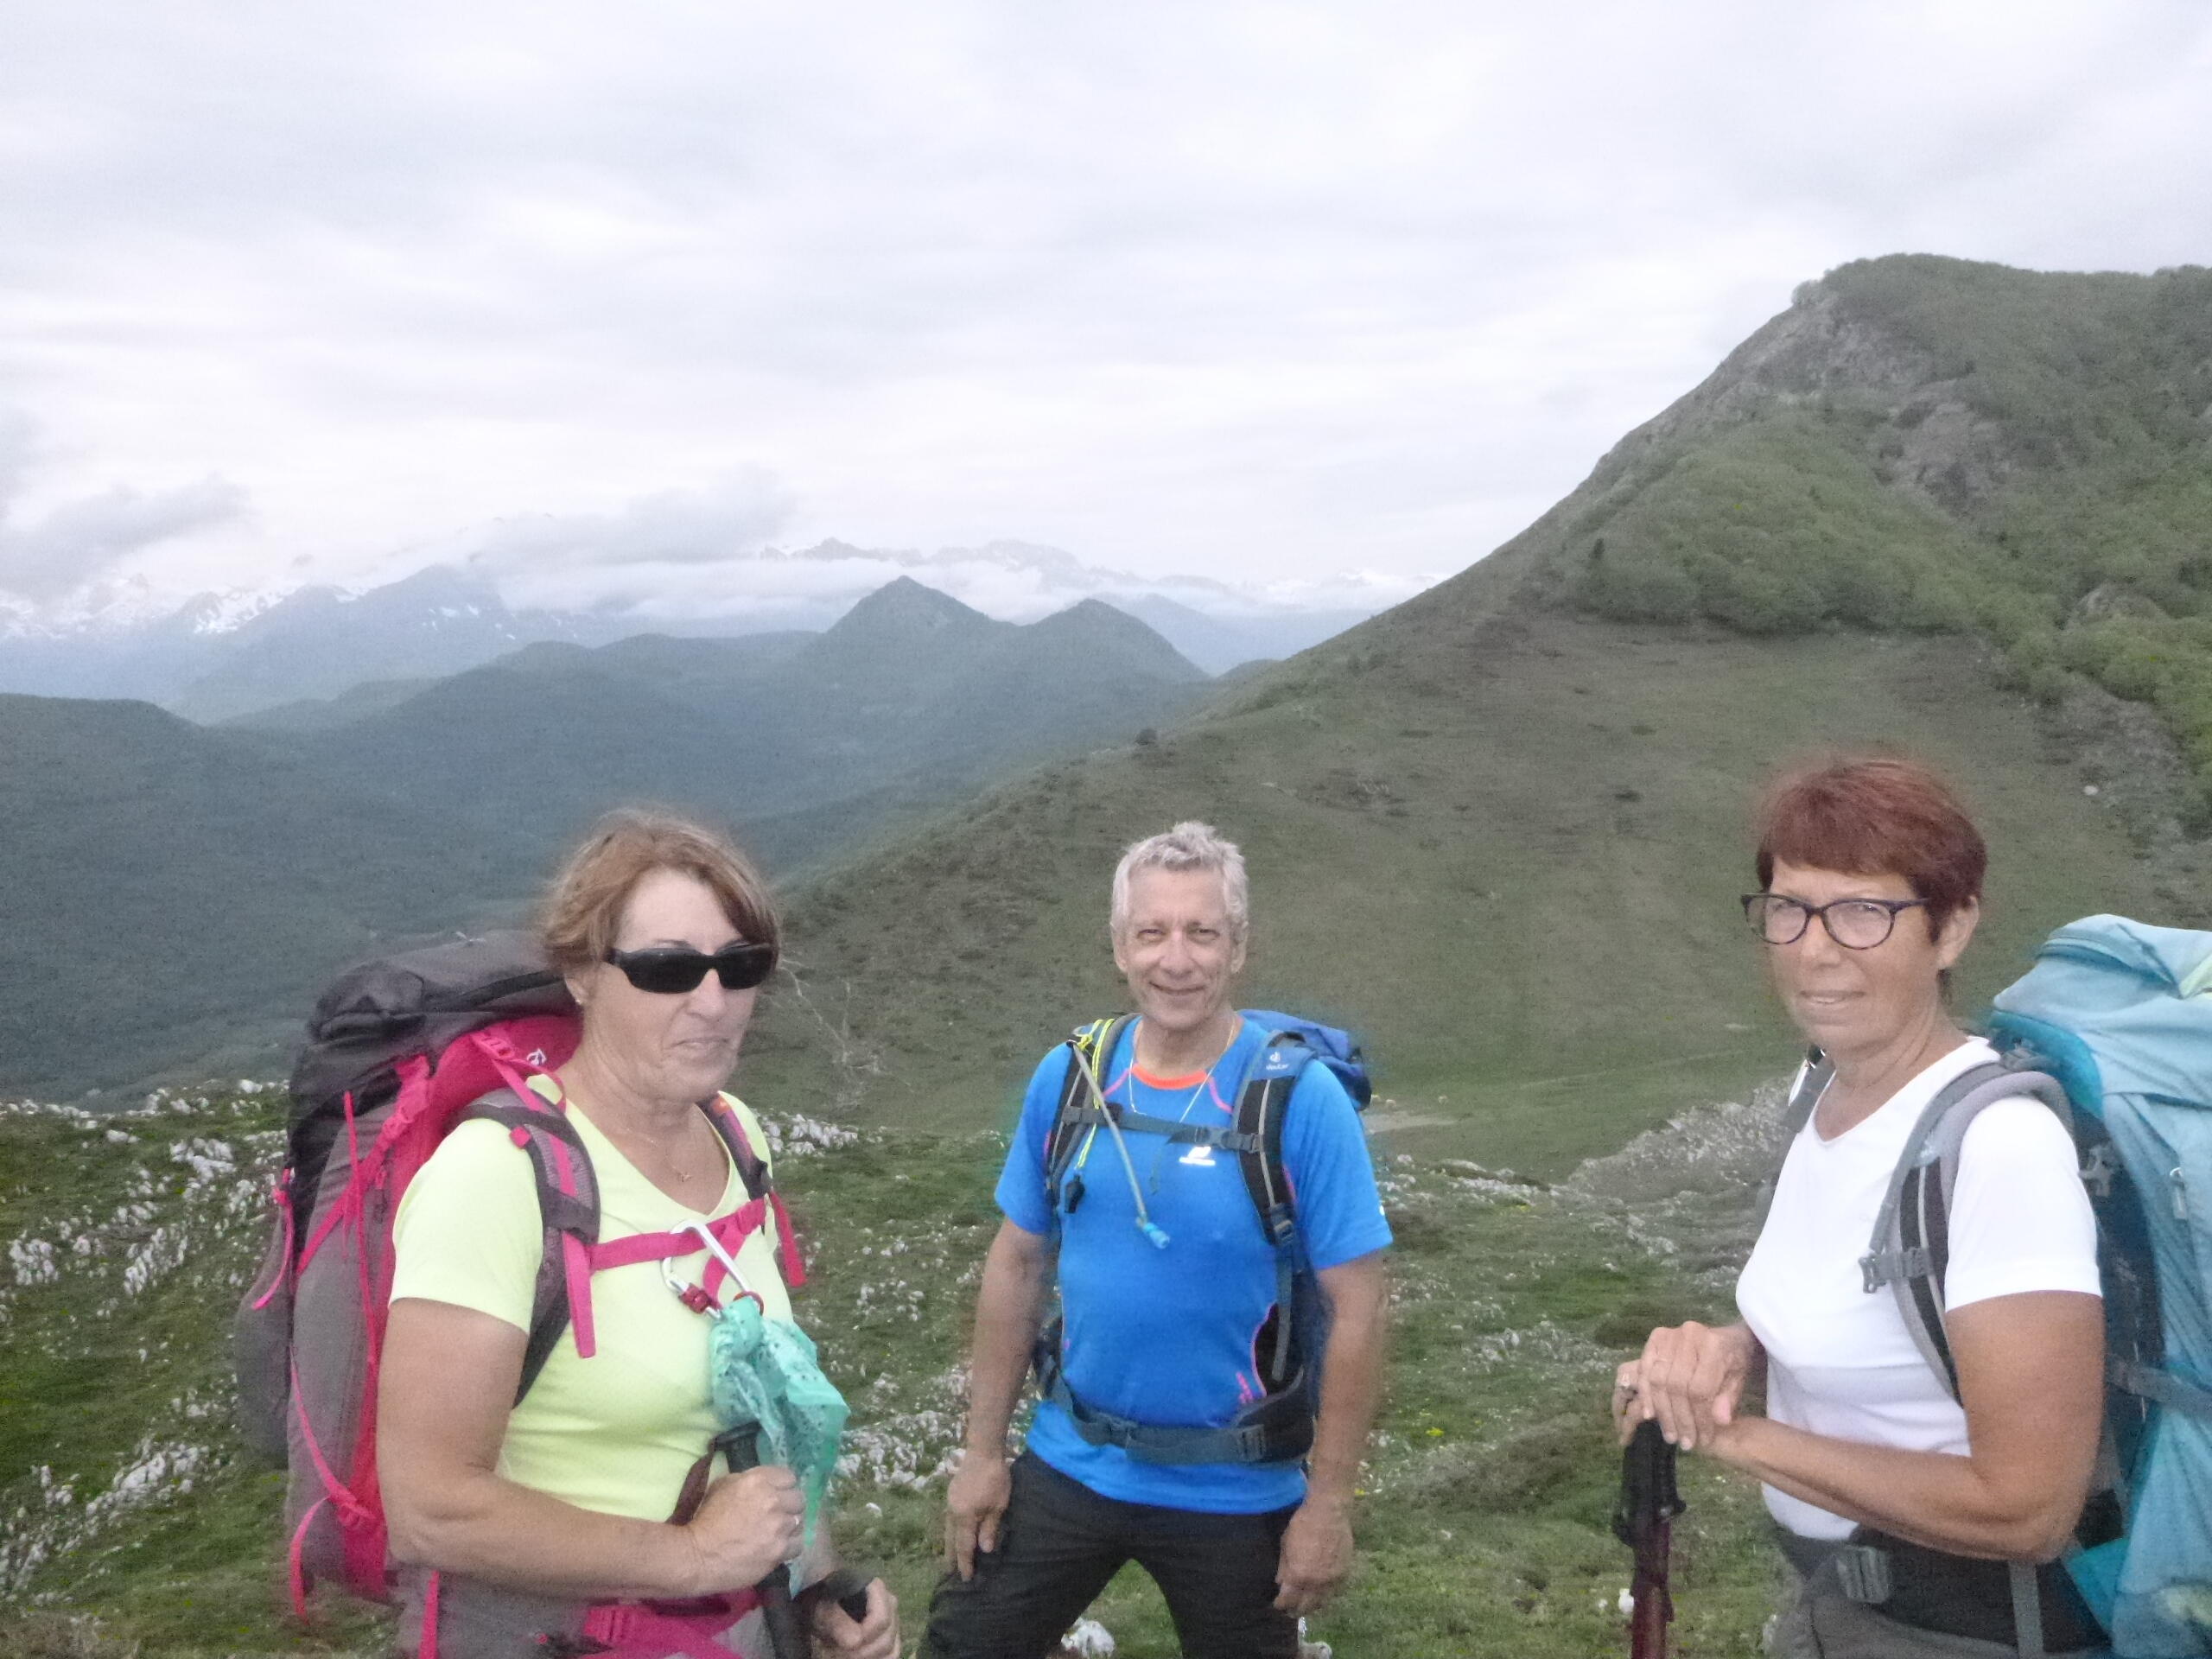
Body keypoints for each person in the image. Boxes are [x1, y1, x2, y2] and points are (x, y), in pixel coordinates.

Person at [378, 810, 899, 1659]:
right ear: (583, 973)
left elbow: (757, 1401)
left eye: (740, 965)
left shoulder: (736, 1137)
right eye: (667, 969)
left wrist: (814, 1582)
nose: (713, 1002)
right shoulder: (495, 1177)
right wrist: (693, 1558)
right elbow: (430, 1509)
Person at [1614, 758, 2105, 1656]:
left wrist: (1731, 1436)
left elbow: (2029, 1510)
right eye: (1789, 908)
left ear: (1951, 929)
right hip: (1838, 1607)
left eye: (1863, 912)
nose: (1814, 948)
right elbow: (1864, 1328)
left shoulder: (2001, 1151)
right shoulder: (1820, 1095)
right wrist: (1731, 1351)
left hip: (1961, 1633)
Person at [925, 821, 1392, 1659]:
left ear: (1238, 947)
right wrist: (981, 1455)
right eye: (1152, 933)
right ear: (1119, 947)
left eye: (1201, 933)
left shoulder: (1300, 1100)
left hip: (1237, 1490)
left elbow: (1358, 1309)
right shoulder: (1071, 1076)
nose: (1176, 960)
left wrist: (1327, 1507)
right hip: (1072, 1459)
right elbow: (1017, 1262)